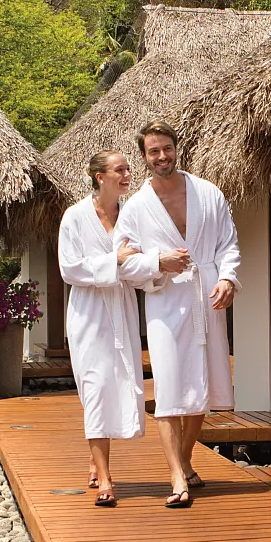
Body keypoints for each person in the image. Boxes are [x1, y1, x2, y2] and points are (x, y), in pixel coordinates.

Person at [116, 121, 240, 508]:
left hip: (206, 298)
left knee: (201, 387)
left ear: (176, 148)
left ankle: (184, 460)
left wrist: (227, 278)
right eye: (154, 151)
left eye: (167, 148)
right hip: (165, 303)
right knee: (169, 386)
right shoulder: (136, 207)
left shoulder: (208, 193)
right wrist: (158, 261)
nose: (162, 157)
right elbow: (122, 260)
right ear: (143, 157)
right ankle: (175, 474)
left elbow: (228, 244)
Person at [57, 150, 161, 506]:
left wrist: (159, 269)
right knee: (95, 388)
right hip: (88, 314)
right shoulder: (74, 217)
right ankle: (104, 476)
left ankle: (95, 459)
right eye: (120, 169)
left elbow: (141, 262)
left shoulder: (131, 216)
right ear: (100, 177)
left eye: (128, 168)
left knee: (116, 386)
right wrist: (112, 260)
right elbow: (69, 270)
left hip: (122, 310)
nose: (127, 173)